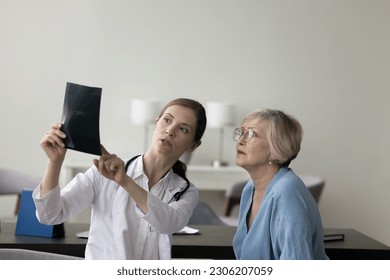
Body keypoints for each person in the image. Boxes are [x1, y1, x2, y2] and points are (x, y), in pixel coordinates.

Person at [33, 98, 207, 260]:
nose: (170, 131)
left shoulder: (186, 191)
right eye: (167, 120)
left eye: (183, 129)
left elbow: (168, 223)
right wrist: (54, 162)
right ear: (156, 124)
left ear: (193, 145)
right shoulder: (102, 172)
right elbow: (50, 215)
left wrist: (124, 181)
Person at [232, 108, 328, 260]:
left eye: (252, 134)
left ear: (276, 148)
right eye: (241, 132)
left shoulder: (287, 192)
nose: (241, 140)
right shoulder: (249, 189)